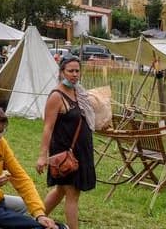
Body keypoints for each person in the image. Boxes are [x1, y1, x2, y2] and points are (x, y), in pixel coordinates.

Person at [36, 55, 96, 229]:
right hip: (64, 152)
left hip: (80, 150)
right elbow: (47, 127)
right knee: (72, 194)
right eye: (70, 71)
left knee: (61, 190)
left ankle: (34, 219)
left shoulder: (79, 92)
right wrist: (42, 156)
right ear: (62, 72)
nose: (74, 74)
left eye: (77, 71)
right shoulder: (56, 96)